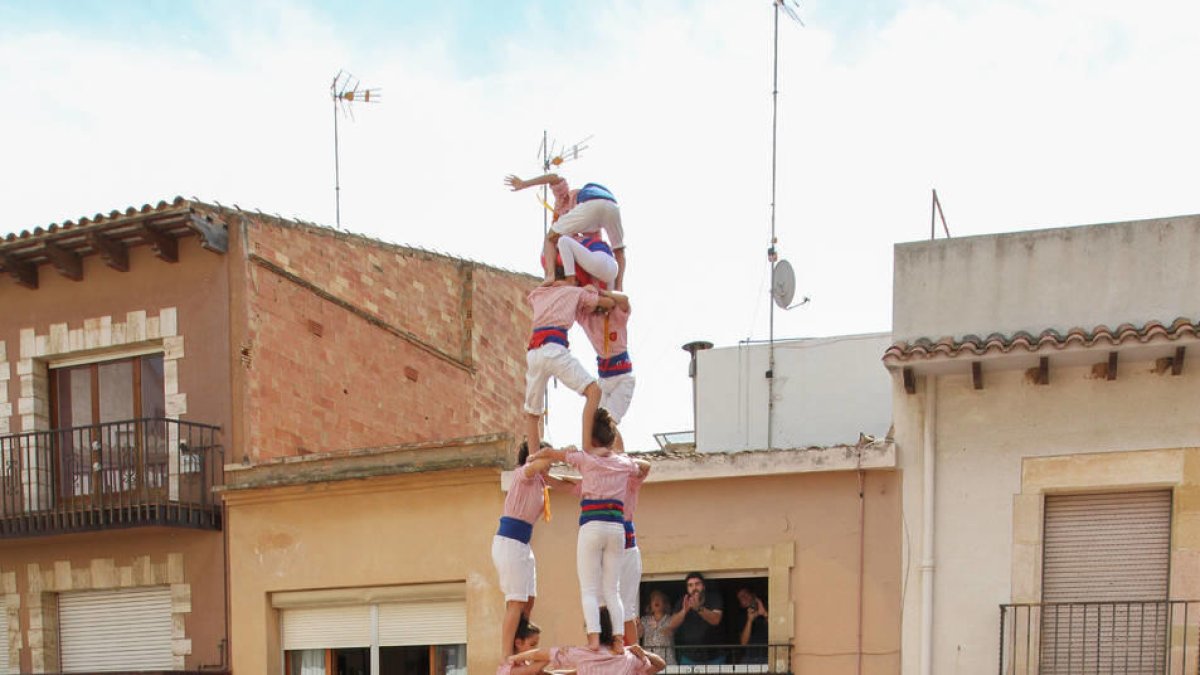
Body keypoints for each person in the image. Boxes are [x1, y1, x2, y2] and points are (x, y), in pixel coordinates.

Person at [532, 409, 649, 650]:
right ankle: (617, 641)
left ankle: (598, 640)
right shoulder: (622, 467)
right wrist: (551, 478)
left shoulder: (594, 463)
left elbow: (565, 458)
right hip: (617, 532)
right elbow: (572, 485)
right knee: (612, 594)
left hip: (603, 531)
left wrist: (545, 457)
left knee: (594, 592)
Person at [523, 276, 616, 455]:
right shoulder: (576, 292)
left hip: (534, 352)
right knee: (594, 391)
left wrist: (549, 281)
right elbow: (608, 303)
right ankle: (587, 446)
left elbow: (532, 296)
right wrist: (592, 290)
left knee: (532, 412)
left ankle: (533, 459)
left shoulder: (539, 293)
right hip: (554, 349)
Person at [505, 173, 626, 290]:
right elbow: (596, 249)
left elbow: (553, 177)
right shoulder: (588, 229)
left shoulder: (564, 199)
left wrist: (524, 183)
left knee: (550, 237)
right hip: (613, 206)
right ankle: (619, 288)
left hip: (588, 203)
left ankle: (550, 276)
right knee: (618, 248)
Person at [491, 441, 554, 658]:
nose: (551, 464)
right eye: (548, 459)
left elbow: (567, 483)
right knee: (516, 601)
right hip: (510, 542)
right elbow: (537, 464)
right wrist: (561, 455)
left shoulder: (540, 481)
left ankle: (522, 647)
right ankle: (507, 656)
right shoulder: (524, 474)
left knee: (528, 601)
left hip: (523, 545)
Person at [509, 607, 666, 675]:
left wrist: (512, 658)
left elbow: (541, 653)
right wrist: (642, 651)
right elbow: (660, 665)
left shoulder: (582, 654)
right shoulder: (628, 657)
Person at [577, 289, 635, 431]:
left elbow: (624, 299)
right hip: (604, 378)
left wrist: (603, 292)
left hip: (622, 377)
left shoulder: (617, 315)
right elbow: (576, 301)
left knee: (610, 424)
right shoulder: (587, 318)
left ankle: (617, 452)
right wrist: (589, 293)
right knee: (597, 425)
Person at [667, 572, 725, 666]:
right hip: (689, 657)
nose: (694, 588)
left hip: (715, 656)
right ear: (687, 589)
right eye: (690, 585)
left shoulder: (713, 598)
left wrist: (699, 608)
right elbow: (672, 625)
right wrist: (684, 611)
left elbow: (715, 620)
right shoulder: (682, 601)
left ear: (704, 586)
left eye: (697, 584)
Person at [639, 590, 676, 665]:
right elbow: (639, 635)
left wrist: (657, 628)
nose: (656, 601)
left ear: (665, 604)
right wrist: (637, 624)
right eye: (653, 599)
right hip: (649, 662)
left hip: (667, 661)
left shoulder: (671, 619)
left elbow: (670, 632)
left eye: (659, 598)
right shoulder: (644, 620)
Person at [736, 587, 769, 664]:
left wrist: (764, 613)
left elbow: (778, 632)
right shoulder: (741, 616)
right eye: (740, 597)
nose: (744, 598)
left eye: (745, 594)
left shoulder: (768, 608)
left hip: (768, 656)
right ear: (741, 604)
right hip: (749, 657)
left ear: (753, 595)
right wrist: (749, 620)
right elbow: (743, 642)